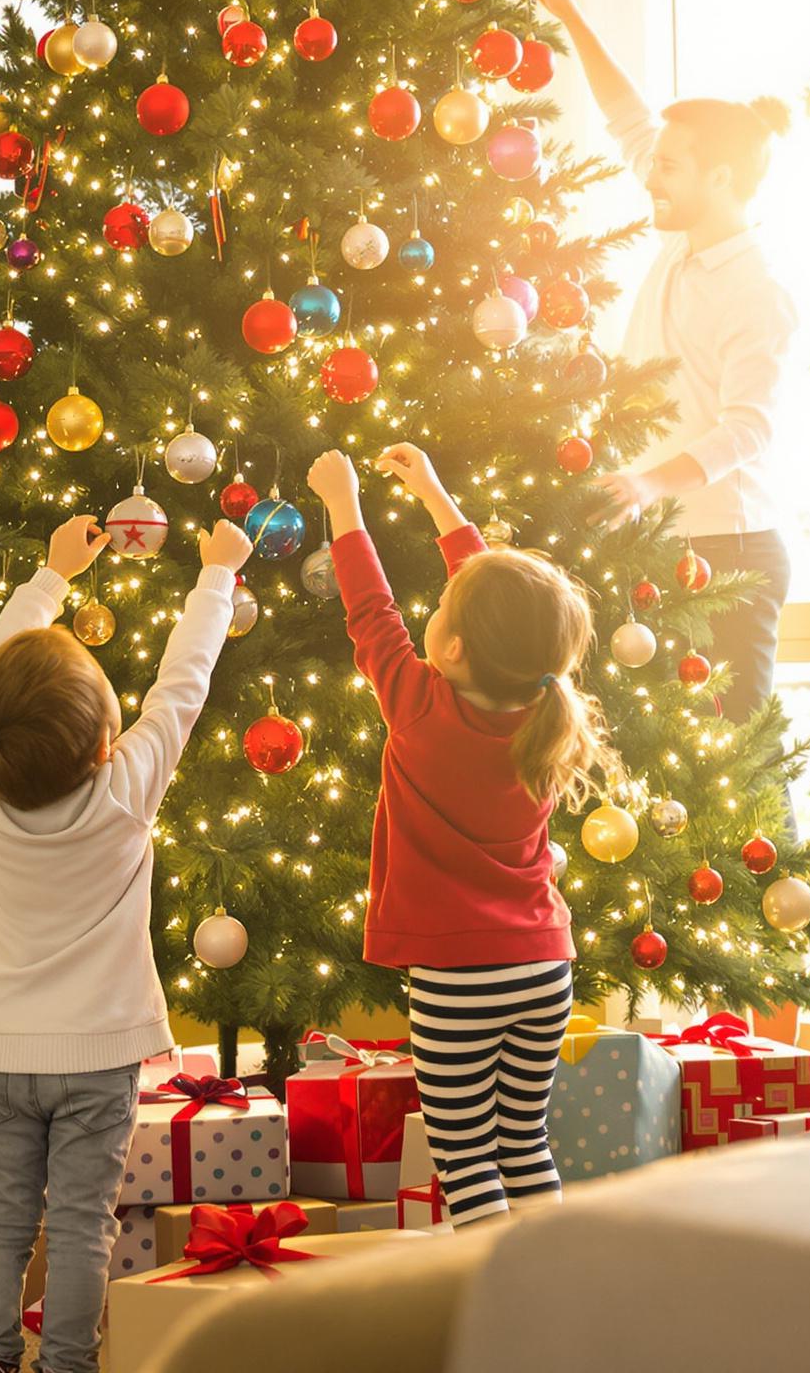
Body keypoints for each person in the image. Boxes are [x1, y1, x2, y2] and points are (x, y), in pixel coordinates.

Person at [0, 512, 256, 1373]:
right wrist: (216, 575)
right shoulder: (128, 787)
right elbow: (182, 684)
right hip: (98, 1055)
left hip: (5, 1050)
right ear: (99, 741)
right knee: (83, 1222)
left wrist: (49, 581)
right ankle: (69, 1366)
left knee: (3, 1215)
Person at [304, 443, 625, 1227]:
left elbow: (369, 609)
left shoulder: (417, 706)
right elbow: (508, 607)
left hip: (458, 983)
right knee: (525, 1145)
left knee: (466, 1156)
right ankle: (547, 1284)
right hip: (545, 968)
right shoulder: (548, 720)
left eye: (442, 613)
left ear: (450, 649)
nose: (433, 612)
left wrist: (342, 501)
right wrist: (437, 496)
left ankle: (492, 1302)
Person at [517, 0, 799, 720]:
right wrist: (568, 12)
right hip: (660, 538)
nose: (651, 176)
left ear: (724, 180)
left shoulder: (757, 289)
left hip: (731, 554)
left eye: (669, 167)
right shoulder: (682, 227)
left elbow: (752, 427)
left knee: (737, 773)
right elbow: (628, 116)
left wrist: (647, 483)